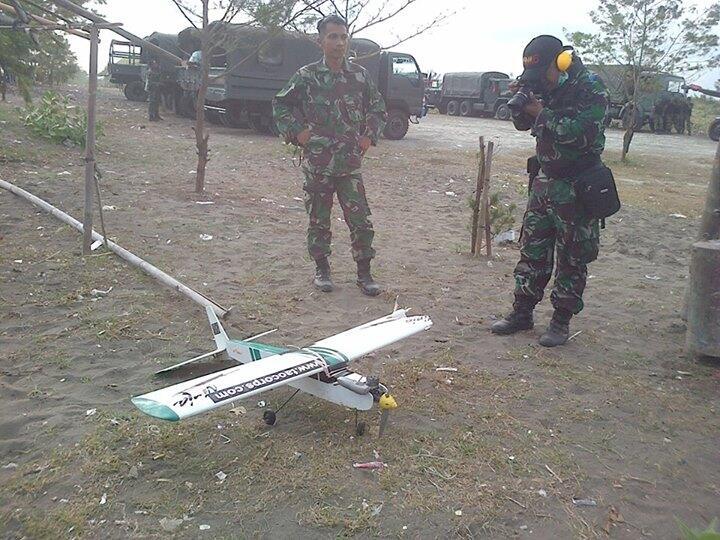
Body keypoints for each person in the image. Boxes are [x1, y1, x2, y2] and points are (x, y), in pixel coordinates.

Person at [491, 35, 608, 347]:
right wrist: (521, 105)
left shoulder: (590, 87)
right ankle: (522, 312)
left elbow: (580, 133)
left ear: (561, 63)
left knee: (572, 256)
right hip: (544, 182)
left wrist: (539, 111)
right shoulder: (542, 85)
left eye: (541, 75)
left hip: (578, 185)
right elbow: (521, 124)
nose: (539, 83)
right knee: (532, 251)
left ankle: (560, 320)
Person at [273, 14, 386, 296]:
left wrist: (368, 135)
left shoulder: (359, 76)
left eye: (343, 37)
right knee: (318, 219)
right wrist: (296, 131)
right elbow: (281, 104)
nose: (338, 43)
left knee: (361, 221)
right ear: (321, 41)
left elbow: (378, 108)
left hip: (349, 163)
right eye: (332, 37)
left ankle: (364, 273)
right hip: (318, 163)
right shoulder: (307, 75)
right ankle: (322, 269)